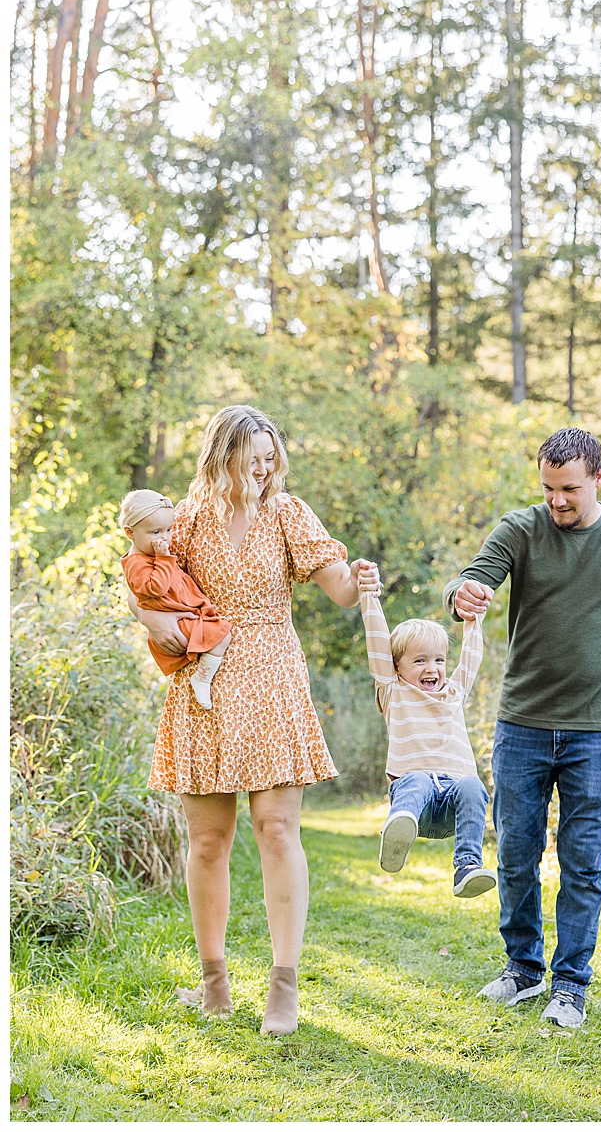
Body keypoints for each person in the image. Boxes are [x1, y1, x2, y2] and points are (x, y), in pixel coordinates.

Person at [126, 405, 375, 1037]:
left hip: (271, 675)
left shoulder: (287, 513)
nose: (264, 471)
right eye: (252, 460)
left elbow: (339, 588)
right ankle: (214, 984)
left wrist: (360, 582)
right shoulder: (183, 522)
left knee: (276, 828)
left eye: (271, 459)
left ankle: (283, 988)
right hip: (204, 678)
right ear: (221, 459)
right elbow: (142, 587)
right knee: (208, 840)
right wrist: (161, 627)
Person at [446, 426, 601, 1029]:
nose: (558, 501)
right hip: (521, 721)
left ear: (598, 477)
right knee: (517, 851)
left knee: (584, 859)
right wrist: (463, 594)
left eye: (569, 489)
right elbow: (475, 574)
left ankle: (570, 983)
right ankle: (522, 969)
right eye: (548, 488)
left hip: (596, 729)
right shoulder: (522, 528)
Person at [355, 565, 495, 899]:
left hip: (450, 807)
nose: (431, 668)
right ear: (397, 667)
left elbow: (471, 659)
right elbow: (376, 642)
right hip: (414, 800)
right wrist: (368, 597)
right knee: (416, 778)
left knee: (473, 784)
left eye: (438, 660)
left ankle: (467, 867)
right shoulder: (394, 690)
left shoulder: (453, 692)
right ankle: (399, 828)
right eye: (419, 661)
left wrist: (475, 619)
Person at [119, 489, 234, 709]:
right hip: (177, 621)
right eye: (155, 532)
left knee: (219, 634)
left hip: (184, 613)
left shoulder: (150, 555)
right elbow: (155, 588)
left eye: (169, 530)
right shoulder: (137, 562)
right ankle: (202, 678)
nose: (165, 538)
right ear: (130, 533)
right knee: (221, 637)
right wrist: (163, 558)